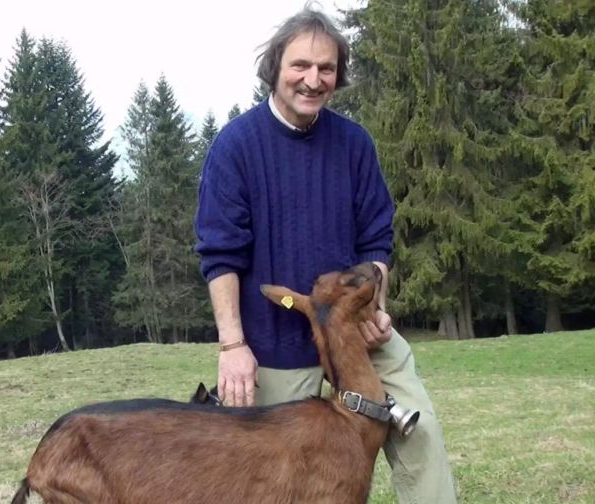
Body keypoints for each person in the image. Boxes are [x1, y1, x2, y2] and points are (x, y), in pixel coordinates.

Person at [194, 6, 457, 503]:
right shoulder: (234, 147)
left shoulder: (355, 145)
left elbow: (376, 240)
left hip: (358, 336)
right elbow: (220, 255)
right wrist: (233, 347)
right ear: (275, 67)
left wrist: (375, 306)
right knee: (267, 475)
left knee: (421, 433)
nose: (313, 80)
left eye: (327, 69)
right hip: (274, 342)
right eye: (300, 66)